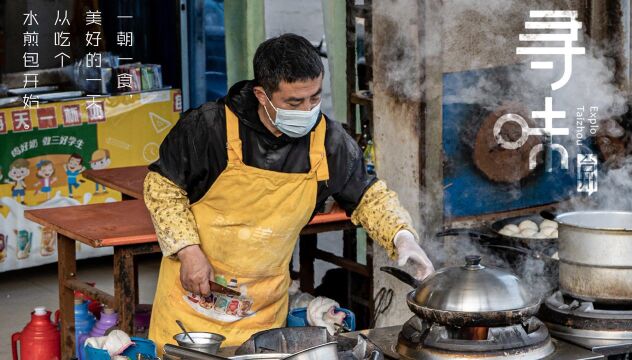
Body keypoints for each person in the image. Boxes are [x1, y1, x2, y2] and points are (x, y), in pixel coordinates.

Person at [144, 33, 435, 348]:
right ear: (261, 94)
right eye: (294, 102)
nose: (307, 110)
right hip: (191, 308)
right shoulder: (209, 129)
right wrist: (187, 250)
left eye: (314, 98)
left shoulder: (329, 143)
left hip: (264, 314)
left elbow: (368, 196)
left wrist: (402, 237)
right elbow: (162, 187)